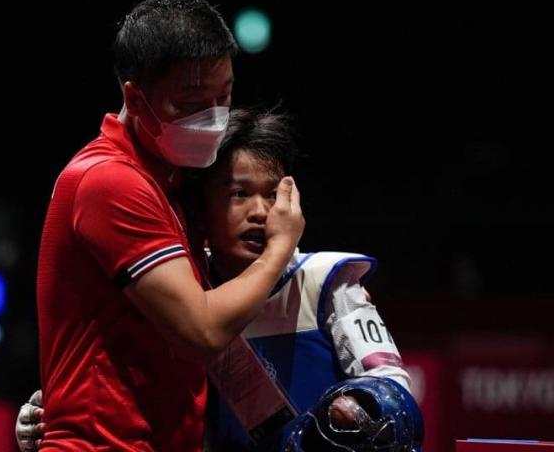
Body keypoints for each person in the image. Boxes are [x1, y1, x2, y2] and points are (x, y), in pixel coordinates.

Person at [23, 108, 419, 451]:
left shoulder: (328, 281)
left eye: (271, 194)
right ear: (200, 210)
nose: (261, 212)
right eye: (238, 194)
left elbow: (392, 388)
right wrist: (48, 414)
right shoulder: (181, 292)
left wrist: (351, 415)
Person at [35, 0, 305, 451]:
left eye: (224, 95)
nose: (214, 118)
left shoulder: (172, 182)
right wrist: (280, 248)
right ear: (134, 97)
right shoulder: (109, 182)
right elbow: (202, 333)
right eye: (192, 103)